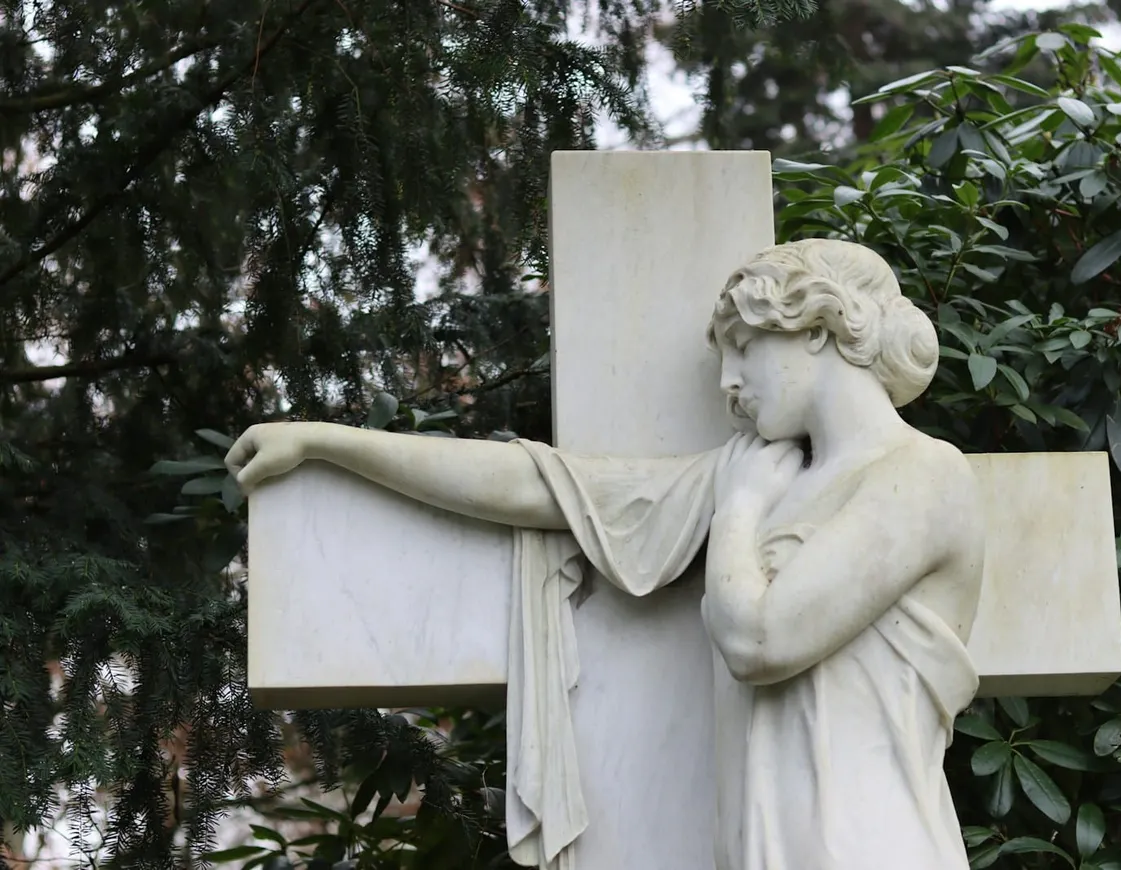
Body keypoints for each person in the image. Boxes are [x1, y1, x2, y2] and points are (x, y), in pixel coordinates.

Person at [227, 238, 985, 870]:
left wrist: (739, 511)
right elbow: (545, 487)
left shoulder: (923, 476)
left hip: (877, 846)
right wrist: (328, 444)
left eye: (744, 348)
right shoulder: (755, 471)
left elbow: (760, 641)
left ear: (816, 328)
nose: (729, 383)